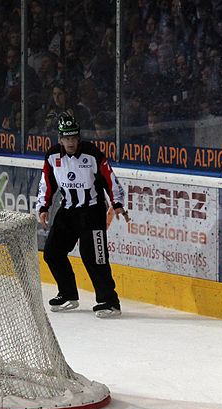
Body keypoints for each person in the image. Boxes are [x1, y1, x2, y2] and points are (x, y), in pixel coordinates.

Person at [37, 113, 130, 318]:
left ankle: (109, 301)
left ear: (78, 137)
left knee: (95, 256)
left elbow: (110, 179)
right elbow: (47, 183)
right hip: (67, 212)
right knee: (52, 252)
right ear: (60, 138)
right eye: (66, 138)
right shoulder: (52, 156)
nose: (70, 142)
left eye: (73, 137)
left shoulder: (92, 154)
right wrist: (43, 206)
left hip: (92, 213)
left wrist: (117, 204)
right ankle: (68, 293)